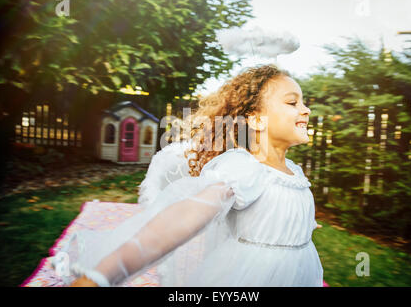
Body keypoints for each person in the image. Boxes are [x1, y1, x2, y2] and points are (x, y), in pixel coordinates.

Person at [64, 64, 324, 287]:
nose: (306, 110)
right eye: (292, 102)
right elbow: (181, 220)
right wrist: (102, 275)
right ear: (255, 120)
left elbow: (280, 212)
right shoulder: (245, 168)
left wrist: (300, 224)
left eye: (303, 102)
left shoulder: (295, 172)